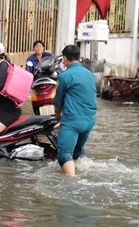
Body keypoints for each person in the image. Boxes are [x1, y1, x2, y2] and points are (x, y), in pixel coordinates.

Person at [54, 44, 97, 177]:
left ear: (65, 58)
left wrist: (58, 118)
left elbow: (58, 102)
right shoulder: (90, 75)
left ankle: (72, 183)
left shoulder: (65, 76)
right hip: (90, 121)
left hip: (73, 122)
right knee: (78, 152)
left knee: (64, 154)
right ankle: (86, 175)